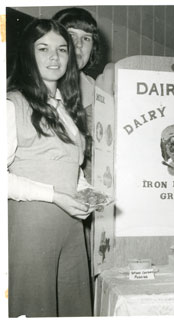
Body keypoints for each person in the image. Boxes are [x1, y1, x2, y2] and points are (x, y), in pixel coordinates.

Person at [7, 19, 94, 317]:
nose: (54, 57)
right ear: (27, 55)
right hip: (32, 229)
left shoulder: (65, 107)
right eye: (43, 49)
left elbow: (70, 165)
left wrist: (86, 192)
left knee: (75, 308)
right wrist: (55, 196)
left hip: (71, 226)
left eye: (61, 50)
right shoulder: (12, 105)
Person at [53, 7, 101, 183]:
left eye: (86, 38)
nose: (79, 44)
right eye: (71, 35)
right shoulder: (28, 87)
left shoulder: (101, 94)